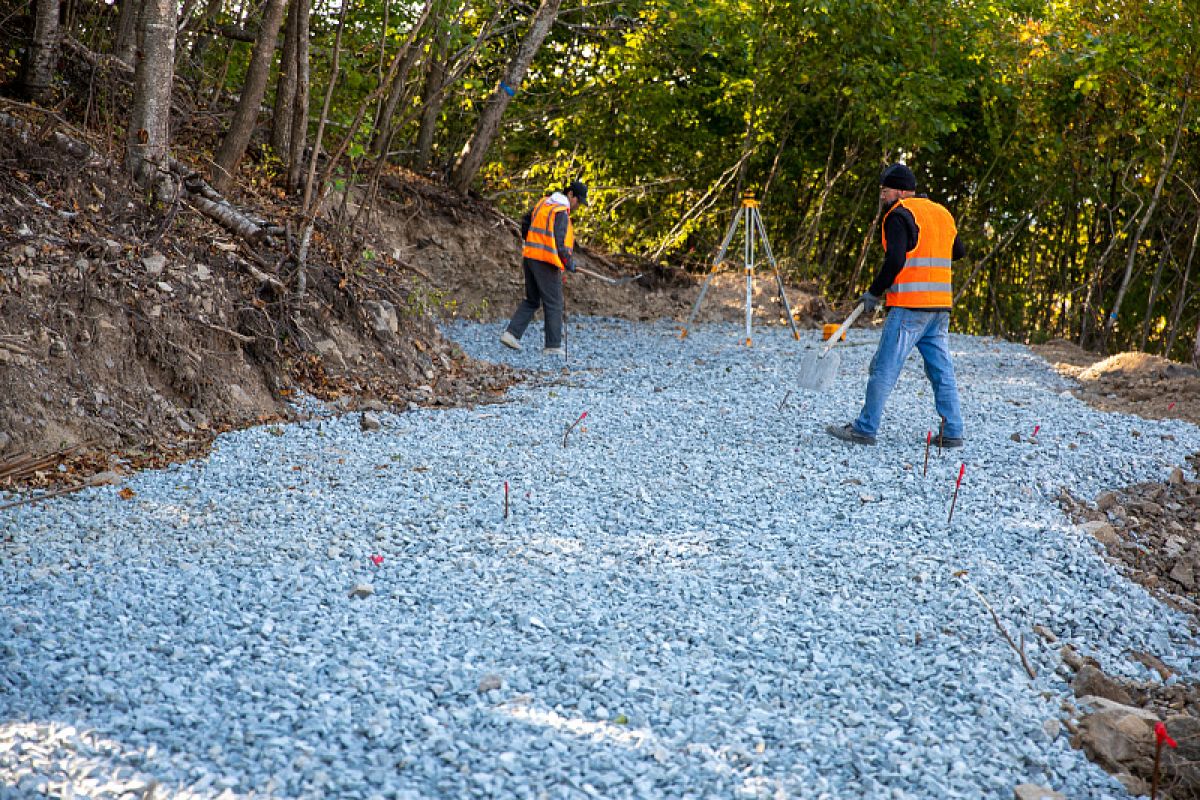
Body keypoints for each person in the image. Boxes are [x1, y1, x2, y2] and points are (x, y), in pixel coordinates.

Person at [826, 163, 967, 447]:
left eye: (886, 190)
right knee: (941, 370)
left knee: (884, 368)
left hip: (909, 307)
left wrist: (874, 292)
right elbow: (959, 252)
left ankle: (864, 429)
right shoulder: (942, 213)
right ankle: (952, 431)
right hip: (940, 308)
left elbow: (895, 260)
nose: (882, 196)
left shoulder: (899, 215)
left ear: (901, 191)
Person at [500, 179, 588, 356]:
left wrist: (532, 243)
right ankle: (553, 346)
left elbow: (525, 222)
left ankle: (511, 334)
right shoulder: (561, 212)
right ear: (570, 194)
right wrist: (568, 263)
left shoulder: (544, 204)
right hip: (547, 262)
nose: (578, 205)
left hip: (530, 256)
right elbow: (560, 243)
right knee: (554, 302)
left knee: (532, 299)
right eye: (578, 200)